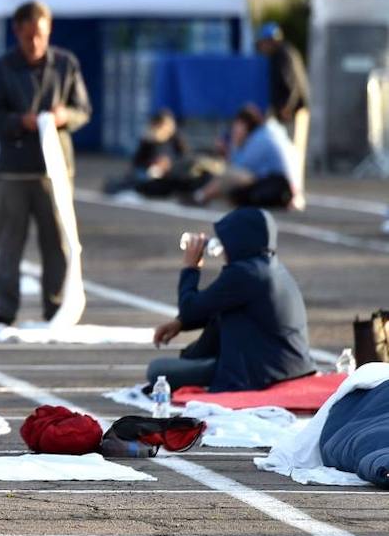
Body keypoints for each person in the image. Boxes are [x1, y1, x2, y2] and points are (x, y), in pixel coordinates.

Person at [0, 0, 91, 326]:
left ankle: (54, 308)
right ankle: (5, 310)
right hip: (14, 170)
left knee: (56, 243)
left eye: (40, 35)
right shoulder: (0, 69)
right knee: (9, 244)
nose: (35, 43)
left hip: (54, 171)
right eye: (28, 36)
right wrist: (19, 122)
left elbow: (83, 110)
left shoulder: (65, 65)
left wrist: (63, 116)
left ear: (49, 30)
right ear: (16, 31)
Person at [149, 206, 314, 392]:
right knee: (188, 359)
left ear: (239, 241)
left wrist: (191, 268)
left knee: (157, 371)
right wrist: (181, 323)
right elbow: (210, 306)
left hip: (261, 373)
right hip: (292, 367)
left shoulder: (244, 273)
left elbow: (189, 308)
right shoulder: (270, 268)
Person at [193, 104, 297, 209]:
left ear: (244, 125)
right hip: (282, 186)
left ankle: (200, 196)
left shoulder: (260, 139)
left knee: (230, 175)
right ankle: (203, 196)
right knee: (233, 182)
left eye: (236, 126)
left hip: (279, 187)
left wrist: (233, 145)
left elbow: (238, 166)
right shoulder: (267, 133)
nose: (234, 130)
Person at [104, 109, 192, 196]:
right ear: (157, 126)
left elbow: (185, 158)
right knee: (139, 177)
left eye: (170, 125)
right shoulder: (148, 141)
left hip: (169, 175)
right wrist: (152, 165)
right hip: (148, 174)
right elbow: (137, 162)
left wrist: (169, 166)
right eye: (165, 126)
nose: (168, 129)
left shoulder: (176, 140)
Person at [256, 22, 310, 127]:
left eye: (263, 42)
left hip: (292, 112)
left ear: (270, 41)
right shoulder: (284, 52)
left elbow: (291, 83)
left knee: (289, 143)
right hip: (294, 110)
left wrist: (287, 107)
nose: (262, 47)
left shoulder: (282, 55)